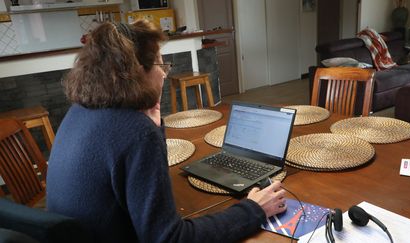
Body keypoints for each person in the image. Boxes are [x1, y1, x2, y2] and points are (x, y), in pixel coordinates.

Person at [46, 20, 288, 243]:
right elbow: (169, 238)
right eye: (161, 64)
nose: (164, 72)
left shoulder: (78, 112)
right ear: (136, 72)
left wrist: (154, 125)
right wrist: (253, 209)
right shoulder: (136, 132)